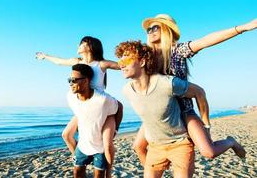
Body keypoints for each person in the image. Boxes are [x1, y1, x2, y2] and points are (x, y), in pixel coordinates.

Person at [133, 14, 255, 165]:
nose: (151, 31)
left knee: (208, 151)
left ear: (167, 30)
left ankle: (230, 142)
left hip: (184, 111)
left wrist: (243, 28)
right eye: (149, 29)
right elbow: (124, 62)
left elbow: (205, 41)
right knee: (138, 147)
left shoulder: (177, 51)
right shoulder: (146, 57)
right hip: (160, 113)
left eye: (155, 27)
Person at [115, 40, 210, 177]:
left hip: (179, 144)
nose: (122, 66)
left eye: (127, 60)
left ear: (142, 62)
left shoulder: (167, 83)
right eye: (120, 62)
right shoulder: (127, 91)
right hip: (155, 147)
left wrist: (206, 125)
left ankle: (231, 142)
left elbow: (199, 92)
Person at [36, 36, 123, 177]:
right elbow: (59, 62)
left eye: (82, 43)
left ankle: (109, 171)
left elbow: (121, 66)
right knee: (66, 134)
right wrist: (45, 56)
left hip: (102, 108)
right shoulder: (77, 62)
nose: (78, 45)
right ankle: (81, 157)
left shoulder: (101, 64)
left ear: (90, 46)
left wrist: (134, 59)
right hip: (83, 106)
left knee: (106, 144)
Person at [67, 64, 119, 178]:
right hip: (82, 145)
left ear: (86, 81)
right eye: (69, 80)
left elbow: (119, 107)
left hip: (100, 147)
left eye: (74, 80)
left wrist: (115, 130)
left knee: (99, 175)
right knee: (77, 174)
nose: (71, 83)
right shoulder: (70, 97)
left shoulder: (103, 99)